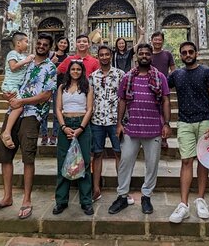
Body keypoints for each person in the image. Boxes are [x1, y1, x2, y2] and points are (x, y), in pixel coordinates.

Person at [0, 33, 56, 219]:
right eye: (39, 43)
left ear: (50, 47)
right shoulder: (25, 62)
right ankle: (7, 197)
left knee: (28, 156)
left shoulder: (50, 68)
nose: (41, 46)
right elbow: (12, 80)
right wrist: (7, 96)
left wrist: (22, 101)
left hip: (32, 114)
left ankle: (26, 199)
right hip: (13, 111)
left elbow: (46, 95)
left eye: (45, 44)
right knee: (5, 154)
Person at [107, 44, 171, 216]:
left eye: (147, 53)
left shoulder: (160, 77)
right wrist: (119, 123)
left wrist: (166, 124)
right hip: (131, 128)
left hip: (154, 128)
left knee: (152, 165)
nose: (144, 56)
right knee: (125, 162)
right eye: (141, 53)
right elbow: (122, 101)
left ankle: (146, 196)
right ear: (136, 56)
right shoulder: (128, 77)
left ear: (151, 56)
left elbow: (165, 100)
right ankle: (122, 195)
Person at [167, 41, 209, 223]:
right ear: (180, 55)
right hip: (184, 122)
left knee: (203, 161)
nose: (188, 54)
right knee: (186, 161)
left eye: (190, 51)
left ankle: (201, 199)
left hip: (205, 121)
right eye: (184, 52)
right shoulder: (176, 75)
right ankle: (183, 204)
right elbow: (162, 90)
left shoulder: (207, 72)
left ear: (196, 53)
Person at [53, 60, 95, 215]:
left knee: (84, 161)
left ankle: (86, 201)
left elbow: (90, 109)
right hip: (65, 125)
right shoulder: (62, 87)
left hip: (82, 125)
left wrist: (81, 128)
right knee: (63, 162)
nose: (75, 71)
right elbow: (58, 108)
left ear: (82, 71)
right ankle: (61, 201)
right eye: (73, 69)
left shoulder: (87, 87)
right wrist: (63, 127)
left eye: (78, 69)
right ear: (68, 71)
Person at [89, 45, 126, 202]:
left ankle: (122, 189)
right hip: (96, 120)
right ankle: (96, 188)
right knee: (97, 154)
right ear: (98, 57)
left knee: (119, 153)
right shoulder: (92, 77)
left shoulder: (120, 75)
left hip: (114, 121)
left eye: (107, 54)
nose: (104, 57)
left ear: (111, 56)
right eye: (101, 55)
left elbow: (124, 98)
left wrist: (121, 122)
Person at [0, 32, 35, 149]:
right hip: (10, 85)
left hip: (17, 87)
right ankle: (6, 132)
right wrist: (27, 60)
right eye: (26, 41)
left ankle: (7, 132)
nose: (27, 44)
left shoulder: (23, 57)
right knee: (18, 106)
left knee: (17, 107)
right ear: (18, 43)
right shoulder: (12, 54)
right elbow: (13, 67)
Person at [41, 36, 70, 145]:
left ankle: (54, 135)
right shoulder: (50, 55)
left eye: (65, 43)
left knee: (57, 113)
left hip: (60, 87)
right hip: (47, 86)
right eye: (61, 42)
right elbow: (42, 69)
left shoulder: (68, 58)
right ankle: (44, 135)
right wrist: (51, 62)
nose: (63, 44)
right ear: (57, 44)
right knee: (44, 112)